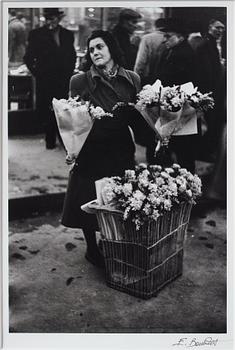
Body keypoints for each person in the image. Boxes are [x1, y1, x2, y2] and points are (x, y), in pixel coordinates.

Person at [61, 30, 156, 268]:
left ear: (111, 48)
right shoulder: (79, 81)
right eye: (91, 49)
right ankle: (91, 249)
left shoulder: (132, 78)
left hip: (120, 147)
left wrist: (158, 133)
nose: (95, 53)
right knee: (87, 198)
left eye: (99, 47)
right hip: (91, 147)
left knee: (116, 198)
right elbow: (70, 119)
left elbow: (139, 118)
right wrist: (71, 148)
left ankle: (109, 241)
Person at [24, 8, 77, 149]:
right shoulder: (36, 34)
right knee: (48, 109)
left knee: (63, 109)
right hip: (45, 79)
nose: (49, 21)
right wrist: (38, 74)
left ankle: (64, 139)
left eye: (52, 18)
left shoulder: (67, 34)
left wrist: (69, 72)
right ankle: (50, 140)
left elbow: (72, 55)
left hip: (63, 79)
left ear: (58, 18)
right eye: (47, 18)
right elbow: (28, 58)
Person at [156, 18, 198, 173]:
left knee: (183, 153)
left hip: (182, 112)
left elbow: (172, 79)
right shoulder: (173, 51)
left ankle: (187, 186)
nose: (164, 40)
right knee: (181, 153)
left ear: (180, 37)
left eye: (168, 36)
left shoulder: (183, 54)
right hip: (176, 110)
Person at [195, 19, 226, 160]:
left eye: (222, 29)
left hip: (212, 91)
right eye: (217, 28)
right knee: (210, 123)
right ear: (209, 27)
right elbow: (206, 73)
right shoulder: (206, 44)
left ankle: (205, 151)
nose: (220, 31)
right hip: (210, 91)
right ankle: (204, 152)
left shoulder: (211, 44)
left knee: (211, 123)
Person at [134, 18, 166, 86]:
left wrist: (136, 77)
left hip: (148, 77)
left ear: (155, 27)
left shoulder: (147, 38)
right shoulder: (170, 37)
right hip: (164, 77)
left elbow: (141, 60)